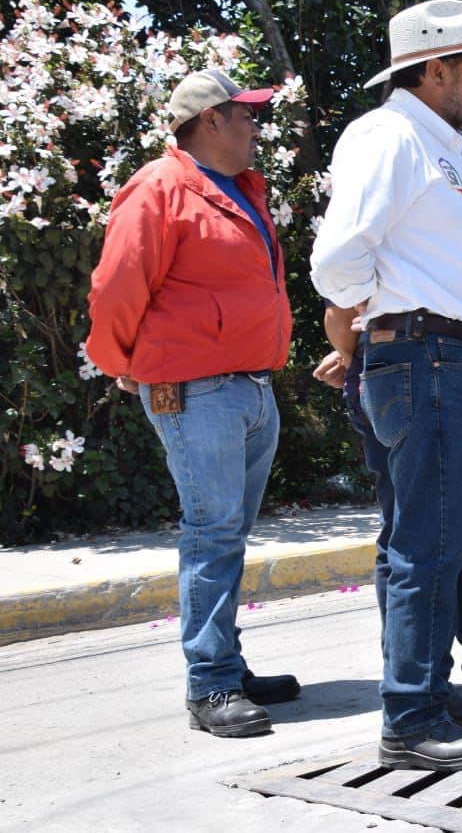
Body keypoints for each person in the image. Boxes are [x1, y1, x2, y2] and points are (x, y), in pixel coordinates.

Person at [310, 0, 462, 772]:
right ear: (434, 71)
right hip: (426, 361)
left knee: (428, 540)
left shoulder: (428, 143)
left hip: (442, 361)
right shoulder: (390, 136)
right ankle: (410, 713)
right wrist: (388, 317)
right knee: (427, 546)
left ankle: (424, 685)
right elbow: (337, 264)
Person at [86, 69, 298, 737]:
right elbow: (117, 287)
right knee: (211, 533)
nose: (255, 128)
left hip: (249, 385)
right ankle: (208, 685)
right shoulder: (160, 186)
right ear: (210, 120)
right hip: (198, 390)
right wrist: (126, 365)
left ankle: (225, 663)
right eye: (246, 116)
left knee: (226, 534)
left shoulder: (236, 188)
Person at [312, 304, 462, 732]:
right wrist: (355, 358)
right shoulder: (385, 245)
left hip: (429, 371)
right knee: (418, 538)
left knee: (443, 531)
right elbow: (338, 301)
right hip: (407, 374)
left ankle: (451, 676)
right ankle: (416, 696)